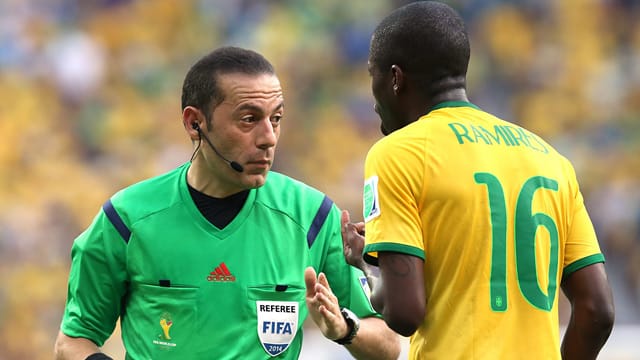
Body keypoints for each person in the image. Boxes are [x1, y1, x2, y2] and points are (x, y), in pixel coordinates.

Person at [54, 46, 400, 360]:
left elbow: (387, 345)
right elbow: (73, 342)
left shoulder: (314, 217)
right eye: (249, 119)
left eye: (275, 119)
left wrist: (345, 329)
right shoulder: (126, 219)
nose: (268, 138)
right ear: (195, 123)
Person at [340, 2, 615, 359]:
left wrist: (366, 262)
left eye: (371, 74)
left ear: (395, 78)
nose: (373, 97)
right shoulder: (551, 159)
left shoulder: (398, 153)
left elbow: (403, 313)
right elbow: (597, 311)